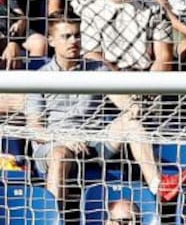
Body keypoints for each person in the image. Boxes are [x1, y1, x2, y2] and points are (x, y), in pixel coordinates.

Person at [26, 15, 161, 202]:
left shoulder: (97, 70)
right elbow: (34, 128)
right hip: (56, 144)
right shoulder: (38, 78)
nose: (74, 41)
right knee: (59, 155)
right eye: (66, 36)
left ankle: (159, 187)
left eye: (77, 36)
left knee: (132, 123)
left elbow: (120, 98)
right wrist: (63, 139)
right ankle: (53, 215)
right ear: (51, 41)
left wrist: (132, 106)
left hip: (94, 142)